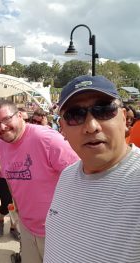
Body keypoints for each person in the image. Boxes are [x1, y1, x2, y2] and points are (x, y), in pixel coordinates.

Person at [44, 75, 140, 262]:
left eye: (104, 110)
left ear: (124, 118)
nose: (91, 126)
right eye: (75, 115)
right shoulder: (67, 175)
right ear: (61, 128)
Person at [0, 100, 79, 263]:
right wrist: (17, 212)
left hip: (57, 231)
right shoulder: (2, 144)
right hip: (27, 227)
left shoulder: (47, 139)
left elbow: (80, 177)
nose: (1, 127)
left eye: (6, 119)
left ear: (20, 116)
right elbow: (12, 179)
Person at [0, 136, 20, 240]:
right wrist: (4, 172)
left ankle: (13, 227)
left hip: (19, 176)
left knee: (17, 204)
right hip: (1, 177)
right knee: (7, 203)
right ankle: (0, 219)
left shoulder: (24, 137)